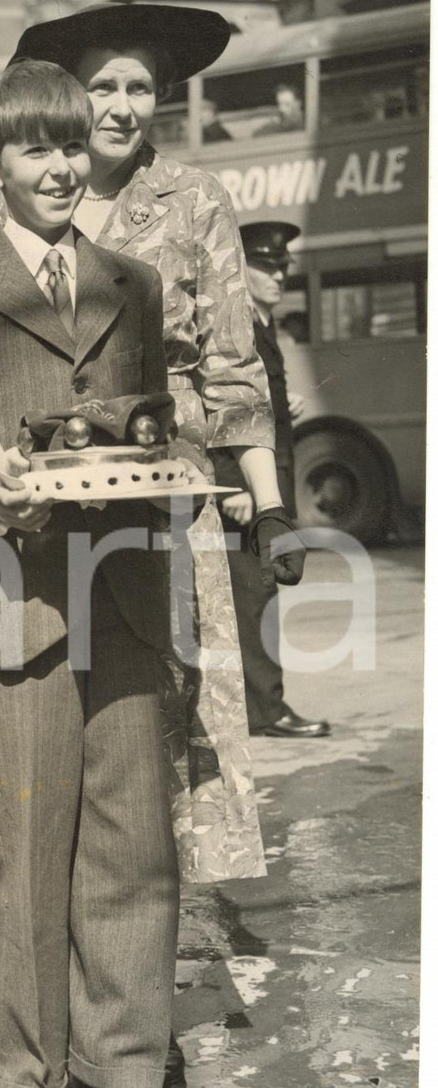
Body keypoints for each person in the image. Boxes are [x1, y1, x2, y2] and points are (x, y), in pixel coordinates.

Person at [0, 58, 202, 1088]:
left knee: (133, 842)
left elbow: (151, 429)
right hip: (10, 600)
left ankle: (122, 1068)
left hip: (123, 590)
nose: (62, 167)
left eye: (74, 146)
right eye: (36, 149)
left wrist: (180, 465)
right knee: (27, 847)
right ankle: (29, 1082)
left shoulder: (133, 281)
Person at [9, 2, 302, 893]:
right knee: (68, 719)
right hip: (51, 494)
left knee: (173, 712)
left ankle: (153, 959)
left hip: (167, 487)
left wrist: (272, 505)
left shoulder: (195, 199)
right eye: (104, 84)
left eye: (140, 87)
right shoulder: (36, 192)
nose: (122, 105)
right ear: (72, 91)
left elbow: (231, 365)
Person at [214, 222, 330, 739]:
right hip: (245, 494)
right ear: (242, 268)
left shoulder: (264, 324)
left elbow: (257, 407)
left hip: (266, 492)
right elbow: (221, 410)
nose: (280, 273)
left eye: (283, 265)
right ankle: (266, 711)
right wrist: (232, 485)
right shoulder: (240, 324)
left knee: (261, 594)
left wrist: (286, 406)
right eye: (267, 265)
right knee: (252, 598)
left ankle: (261, 706)